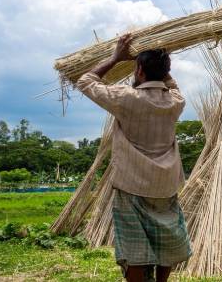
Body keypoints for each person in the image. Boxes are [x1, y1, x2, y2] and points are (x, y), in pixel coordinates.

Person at [77, 34, 191, 282]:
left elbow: (85, 81)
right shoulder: (175, 102)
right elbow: (172, 85)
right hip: (165, 186)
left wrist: (115, 58)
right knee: (167, 239)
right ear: (165, 72)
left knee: (134, 248)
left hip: (132, 185)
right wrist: (162, 64)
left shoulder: (125, 97)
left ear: (139, 70)